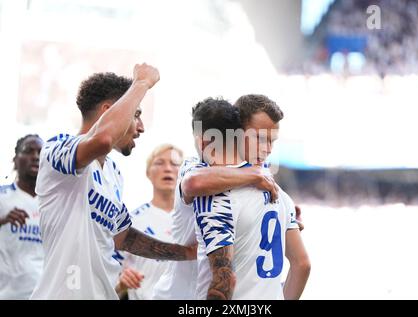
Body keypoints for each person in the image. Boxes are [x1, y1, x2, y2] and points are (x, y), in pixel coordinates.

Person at [30, 64, 196, 300]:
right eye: (136, 114)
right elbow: (104, 138)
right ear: (108, 112)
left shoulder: (113, 172)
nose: (141, 127)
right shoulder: (57, 148)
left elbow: (124, 237)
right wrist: (141, 83)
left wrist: (187, 252)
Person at [151, 99, 278, 300]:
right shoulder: (196, 169)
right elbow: (193, 183)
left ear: (201, 141)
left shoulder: (251, 182)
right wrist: (254, 175)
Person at [189, 98, 304, 299]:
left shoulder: (220, 193)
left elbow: (224, 280)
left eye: (272, 141)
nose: (267, 149)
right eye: (259, 138)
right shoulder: (277, 192)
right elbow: (302, 264)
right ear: (235, 132)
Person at [115, 144, 183, 299]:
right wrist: (121, 283)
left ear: (184, 172)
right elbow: (107, 284)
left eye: (174, 164)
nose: (167, 169)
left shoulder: (196, 222)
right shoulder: (130, 222)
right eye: (159, 163)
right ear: (148, 173)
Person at [0, 134, 43, 299]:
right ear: (15, 160)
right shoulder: (2, 196)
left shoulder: (52, 204)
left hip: (44, 294)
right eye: (28, 151)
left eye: (40, 152)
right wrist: (2, 220)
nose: (35, 157)